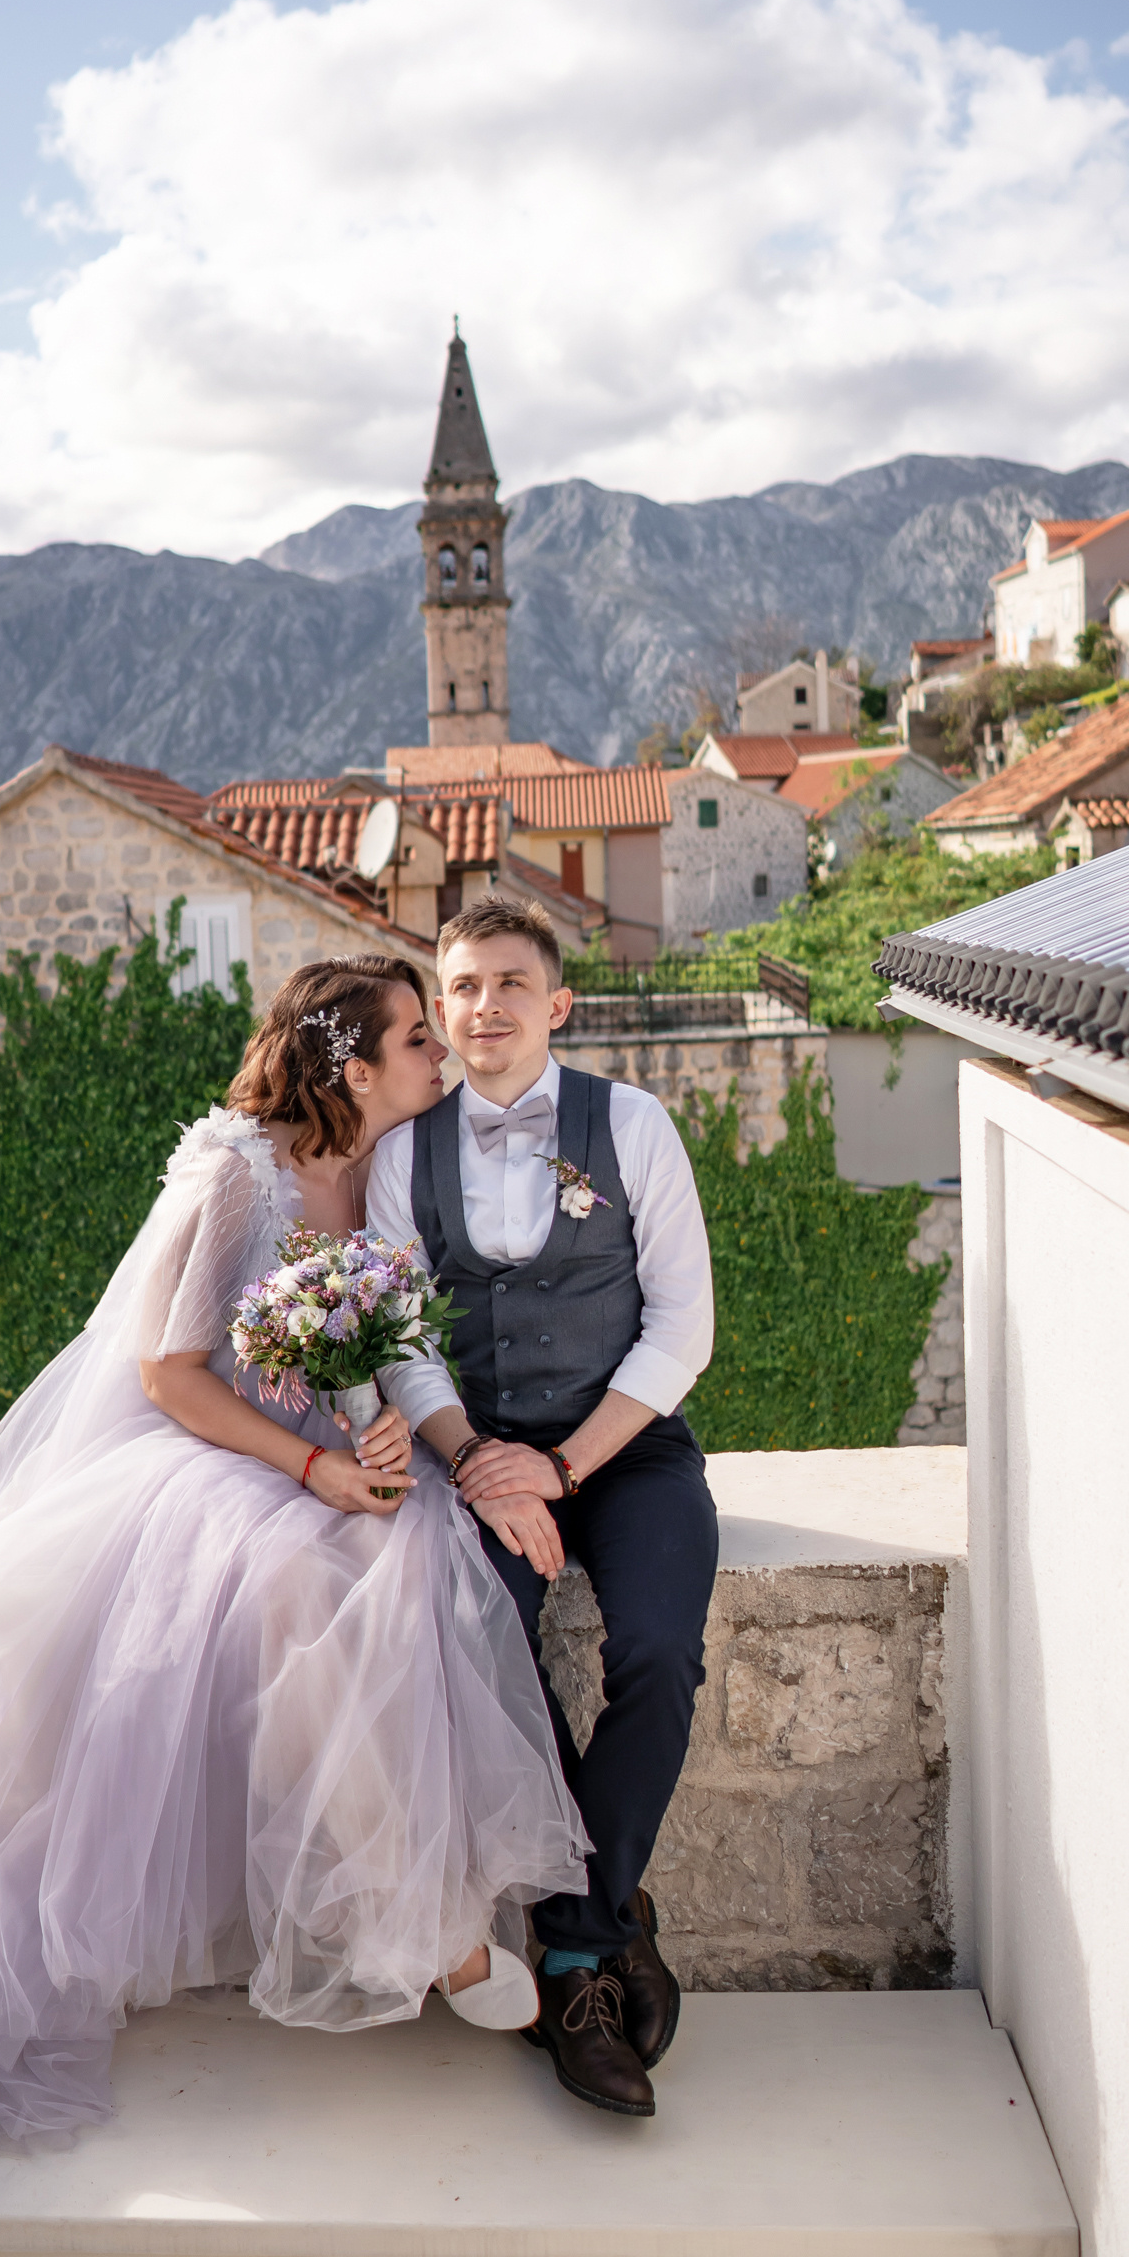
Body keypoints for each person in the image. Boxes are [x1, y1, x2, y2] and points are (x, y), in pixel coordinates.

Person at [0, 953, 587, 2141]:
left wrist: (399, 1446)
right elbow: (166, 1374)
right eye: (416, 1036)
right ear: (348, 1063)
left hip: (333, 1449)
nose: (438, 1052)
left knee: (411, 1565)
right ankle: (432, 1935)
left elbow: (390, 1341)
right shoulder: (234, 1172)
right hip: (216, 1456)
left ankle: (406, 1907)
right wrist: (315, 1466)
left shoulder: (395, 1168)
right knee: (291, 1592)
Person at [365, 892, 718, 2121]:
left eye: (509, 983)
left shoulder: (633, 1124)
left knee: (661, 1653)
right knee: (474, 1648)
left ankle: (577, 1936)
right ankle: (600, 1941)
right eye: (460, 987)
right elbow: (400, 1340)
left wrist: (564, 1469)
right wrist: (474, 1459)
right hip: (477, 1459)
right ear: (442, 1008)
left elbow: (684, 1324)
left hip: (625, 1452)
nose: (483, 1008)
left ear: (554, 1003)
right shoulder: (403, 1155)